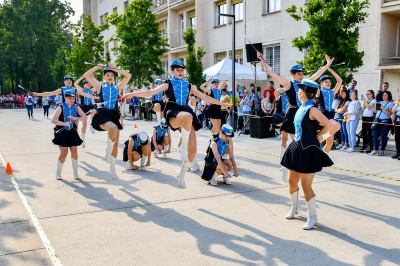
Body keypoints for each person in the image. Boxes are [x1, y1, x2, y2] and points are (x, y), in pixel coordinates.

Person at [122, 60, 229, 188]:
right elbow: (150, 93)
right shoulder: (168, 84)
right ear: (171, 71)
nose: (180, 72)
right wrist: (131, 94)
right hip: (174, 112)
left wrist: (222, 104)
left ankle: (181, 172)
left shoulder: (189, 85)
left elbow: (205, 98)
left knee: (193, 152)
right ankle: (182, 148)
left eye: (181, 70)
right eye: (177, 70)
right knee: (188, 117)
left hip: (186, 113)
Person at [257, 51, 334, 181]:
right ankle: (287, 164)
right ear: (293, 75)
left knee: (312, 137)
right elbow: (272, 73)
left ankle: (294, 163)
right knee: (295, 143)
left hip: (304, 113)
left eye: (302, 74)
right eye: (299, 74)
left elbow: (317, 74)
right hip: (293, 114)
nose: (301, 76)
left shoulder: (305, 83)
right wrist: (262, 59)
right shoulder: (288, 84)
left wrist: (327, 65)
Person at [280, 79, 333, 230]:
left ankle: (312, 217)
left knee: (305, 185)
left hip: (309, 150)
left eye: (298, 91)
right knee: (291, 182)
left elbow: (328, 125)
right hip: (296, 148)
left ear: (302, 93)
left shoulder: (313, 110)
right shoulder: (300, 108)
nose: (297, 93)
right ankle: (294, 208)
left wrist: (319, 136)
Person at [83, 62, 132, 179]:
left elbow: (128, 76)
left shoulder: (118, 87)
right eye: (107, 75)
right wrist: (97, 67)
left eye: (112, 75)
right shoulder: (100, 87)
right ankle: (107, 151)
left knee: (116, 141)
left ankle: (113, 168)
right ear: (104, 77)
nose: (110, 77)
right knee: (113, 129)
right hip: (103, 114)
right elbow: (86, 76)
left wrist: (115, 68)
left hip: (114, 114)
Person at [51, 89, 87, 180]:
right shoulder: (61, 107)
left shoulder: (76, 106)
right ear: (65, 98)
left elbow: (84, 117)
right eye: (70, 98)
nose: (72, 100)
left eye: (73, 98)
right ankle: (58, 172)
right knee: (64, 152)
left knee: (74, 150)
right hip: (61, 131)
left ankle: (75, 172)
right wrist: (64, 123)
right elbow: (53, 120)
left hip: (72, 132)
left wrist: (75, 118)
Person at [315, 68, 342, 153]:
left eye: (329, 82)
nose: (328, 83)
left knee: (330, 143)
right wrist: (323, 69)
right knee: (337, 125)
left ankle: (321, 159)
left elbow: (339, 81)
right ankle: (320, 138)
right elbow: (312, 81)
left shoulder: (332, 92)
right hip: (322, 114)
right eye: (326, 82)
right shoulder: (319, 91)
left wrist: (332, 71)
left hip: (330, 115)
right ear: (321, 84)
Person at [74, 77, 96, 147]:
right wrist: (82, 77)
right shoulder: (81, 90)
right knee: (84, 125)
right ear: (84, 85)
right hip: (82, 108)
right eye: (86, 84)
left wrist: (92, 76)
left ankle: (92, 125)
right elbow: (75, 84)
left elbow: (97, 85)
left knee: (95, 111)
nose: (88, 85)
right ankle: (82, 141)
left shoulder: (92, 90)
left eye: (89, 83)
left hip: (89, 106)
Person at [371, 92, 394, 156]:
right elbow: (375, 112)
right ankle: (375, 149)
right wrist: (375, 106)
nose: (383, 96)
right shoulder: (380, 102)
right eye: (383, 95)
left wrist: (383, 109)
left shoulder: (390, 104)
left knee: (384, 136)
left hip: (385, 122)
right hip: (377, 121)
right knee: (375, 135)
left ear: (388, 96)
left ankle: (382, 150)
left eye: (385, 95)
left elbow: (390, 113)